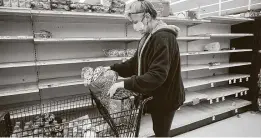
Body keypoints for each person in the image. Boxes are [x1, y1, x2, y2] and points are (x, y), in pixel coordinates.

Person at [106, 0, 185, 136]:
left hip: (166, 97)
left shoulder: (163, 37)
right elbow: (133, 64)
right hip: (156, 95)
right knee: (158, 130)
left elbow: (157, 75)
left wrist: (124, 84)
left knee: (161, 132)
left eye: (136, 22)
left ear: (147, 17)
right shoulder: (148, 37)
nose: (135, 27)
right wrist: (112, 68)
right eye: (133, 23)